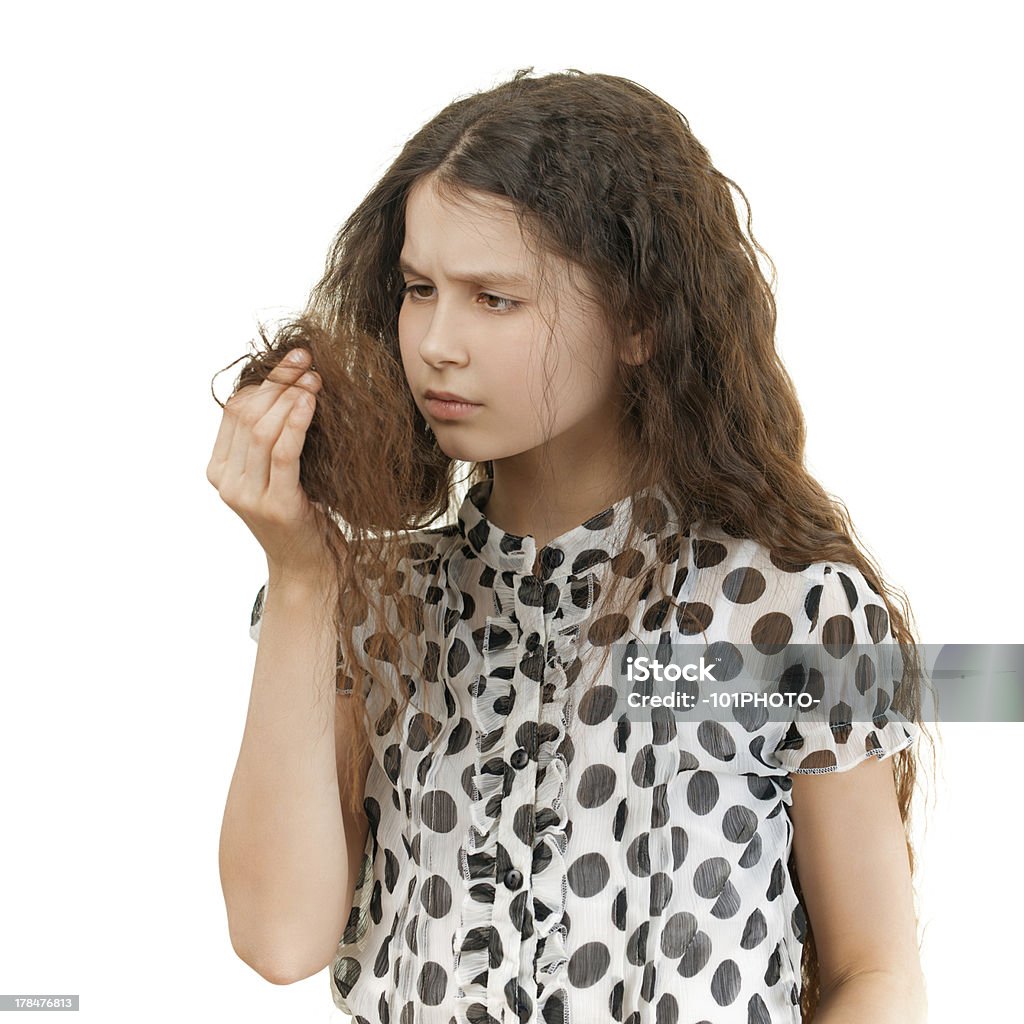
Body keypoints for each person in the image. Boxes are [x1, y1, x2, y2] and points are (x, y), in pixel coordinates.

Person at [208, 68, 932, 1024]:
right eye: (420, 289)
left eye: (495, 299)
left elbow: (872, 973)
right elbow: (278, 937)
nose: (435, 342)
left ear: (639, 319)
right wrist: (301, 575)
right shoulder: (372, 607)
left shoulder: (791, 612)